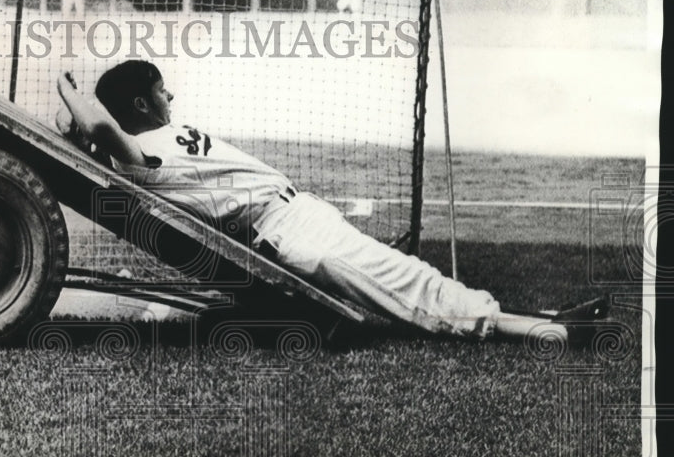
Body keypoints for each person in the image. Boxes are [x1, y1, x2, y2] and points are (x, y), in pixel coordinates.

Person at [55, 60, 608, 345]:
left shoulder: (149, 142)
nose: (170, 95)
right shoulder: (138, 155)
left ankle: (541, 319)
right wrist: (67, 93)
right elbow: (95, 126)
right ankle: (546, 331)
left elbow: (92, 127)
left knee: (408, 278)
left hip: (298, 215)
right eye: (161, 90)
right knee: (409, 286)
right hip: (288, 231)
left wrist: (77, 112)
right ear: (140, 104)